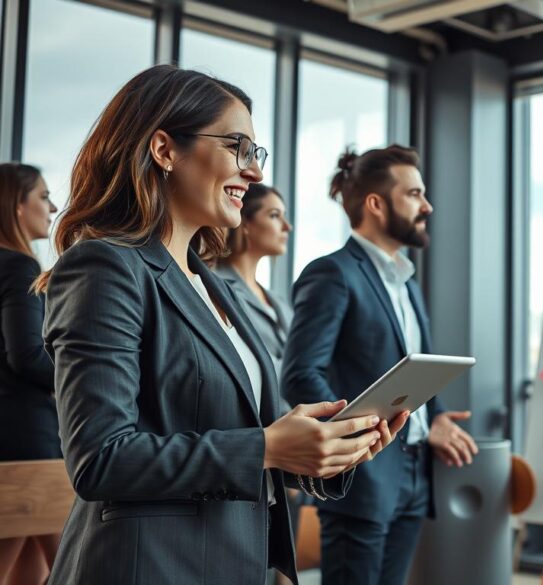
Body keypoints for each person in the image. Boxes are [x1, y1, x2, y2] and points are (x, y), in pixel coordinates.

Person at [37, 65, 408, 585]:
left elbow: (239, 435)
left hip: (230, 561)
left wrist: (327, 448)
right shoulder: (105, 266)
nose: (253, 172)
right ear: (164, 150)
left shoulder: (211, 284)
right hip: (149, 567)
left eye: (256, 153)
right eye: (238, 147)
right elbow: (101, 458)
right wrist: (268, 446)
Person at [282, 145, 479, 585]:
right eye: (414, 194)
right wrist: (357, 438)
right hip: (363, 477)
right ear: (376, 203)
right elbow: (300, 375)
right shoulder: (332, 273)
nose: (428, 206)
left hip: (414, 474)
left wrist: (437, 416)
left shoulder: (406, 283)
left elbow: (412, 372)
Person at [0, 163, 59, 585]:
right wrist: (84, 377)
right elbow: (26, 356)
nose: (53, 208)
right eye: (43, 196)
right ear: (16, 206)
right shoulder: (19, 266)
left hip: (12, 436)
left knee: (29, 565)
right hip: (26, 436)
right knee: (73, 564)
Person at [215, 183, 293, 378]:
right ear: (246, 224)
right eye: (274, 215)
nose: (287, 227)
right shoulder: (216, 288)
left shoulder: (278, 301)